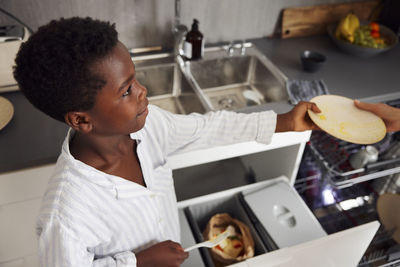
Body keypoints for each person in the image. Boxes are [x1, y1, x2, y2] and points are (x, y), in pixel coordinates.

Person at [13, 17, 320, 267]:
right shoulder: (66, 213)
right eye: (126, 91)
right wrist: (138, 262)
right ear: (81, 120)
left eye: (135, 80)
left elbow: (205, 128)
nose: (143, 91)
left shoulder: (148, 126)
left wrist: (285, 122)